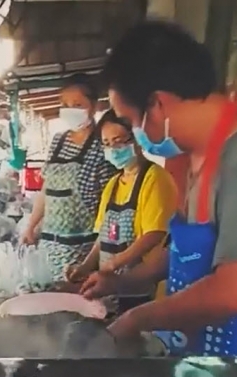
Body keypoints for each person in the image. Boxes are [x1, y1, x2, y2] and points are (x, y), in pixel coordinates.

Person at [86, 20, 237, 357]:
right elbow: (184, 254)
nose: (135, 132)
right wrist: (122, 282)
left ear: (158, 104)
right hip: (204, 360)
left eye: (131, 121)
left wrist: (138, 319)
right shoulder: (196, 158)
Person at [66, 110, 177, 312]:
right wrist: (86, 266)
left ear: (136, 139)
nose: (113, 149)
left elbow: (154, 234)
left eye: (118, 141)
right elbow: (103, 236)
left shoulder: (155, 178)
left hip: (142, 288)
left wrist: (113, 264)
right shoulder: (113, 184)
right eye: (106, 144)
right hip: (111, 286)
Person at [21, 74, 116, 281]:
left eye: (77, 104)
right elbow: (47, 189)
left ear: (93, 106)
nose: (69, 109)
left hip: (85, 247)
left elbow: (110, 201)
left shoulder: (103, 144)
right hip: (50, 243)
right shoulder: (58, 140)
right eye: (64, 104)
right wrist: (31, 226)